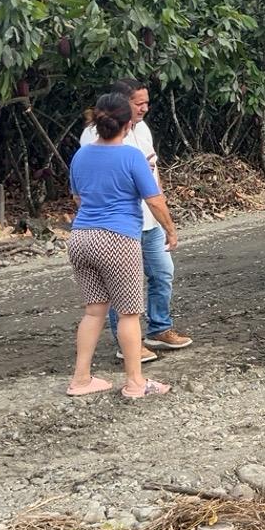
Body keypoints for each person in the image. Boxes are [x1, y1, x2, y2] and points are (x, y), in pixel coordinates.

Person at [66, 92, 178, 398]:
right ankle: (135, 383)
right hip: (117, 239)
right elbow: (154, 199)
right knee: (129, 313)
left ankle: (81, 379)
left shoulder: (81, 155)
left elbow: (77, 197)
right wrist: (170, 229)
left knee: (94, 312)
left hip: (81, 237)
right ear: (127, 125)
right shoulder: (131, 156)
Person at [78, 78, 191, 364]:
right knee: (122, 290)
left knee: (162, 273)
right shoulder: (95, 139)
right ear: (121, 104)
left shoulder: (142, 130)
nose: (144, 108)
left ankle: (159, 328)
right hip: (120, 226)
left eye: (146, 102)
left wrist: (163, 214)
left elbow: (153, 177)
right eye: (138, 103)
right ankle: (128, 346)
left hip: (146, 221)